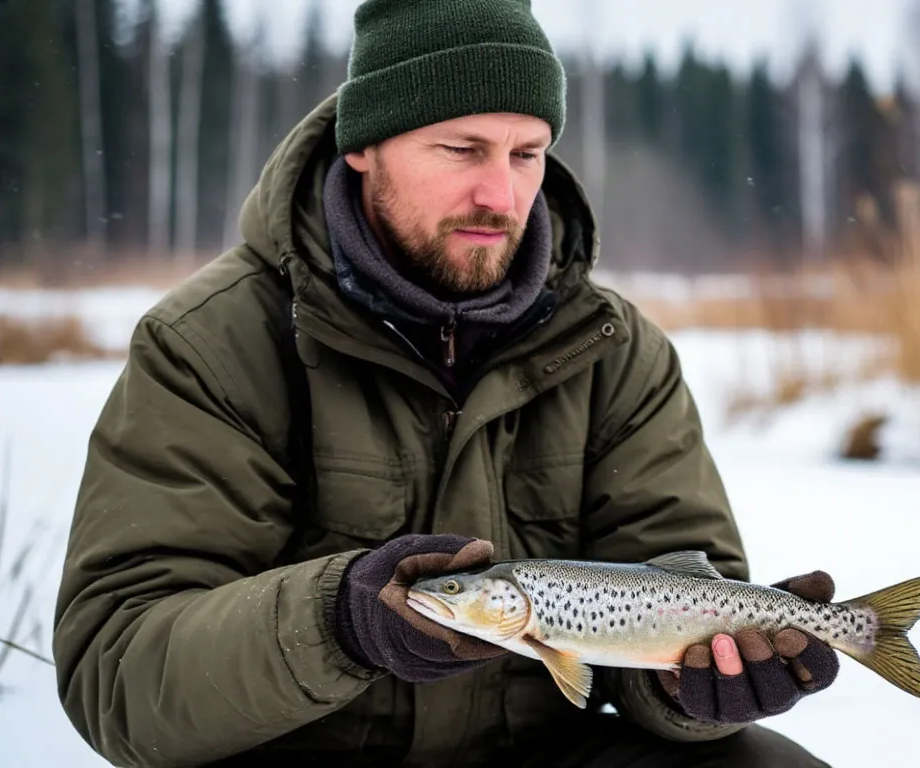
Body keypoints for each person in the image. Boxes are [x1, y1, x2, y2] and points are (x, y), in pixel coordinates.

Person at [52, 1, 841, 765]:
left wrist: (695, 694)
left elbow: (680, 592)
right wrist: (340, 622)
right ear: (364, 146)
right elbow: (118, 677)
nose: (500, 196)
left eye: (525, 154)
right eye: (462, 150)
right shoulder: (210, 343)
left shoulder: (615, 350)